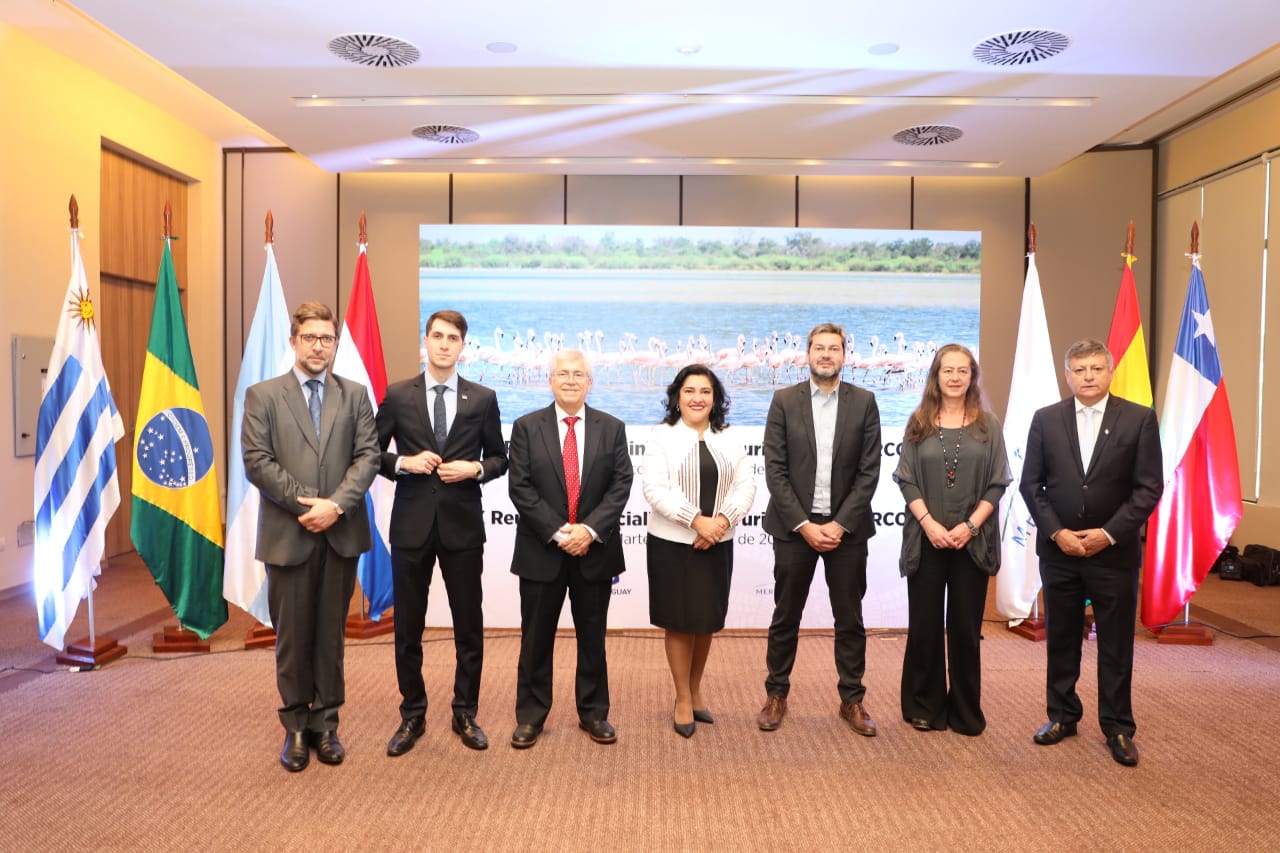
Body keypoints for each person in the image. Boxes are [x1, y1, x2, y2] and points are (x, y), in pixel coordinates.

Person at [241, 301, 380, 772]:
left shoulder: (355, 395)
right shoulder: (263, 396)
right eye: (310, 337)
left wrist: (335, 506)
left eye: (326, 338)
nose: (318, 346)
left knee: (330, 636)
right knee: (293, 637)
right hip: (290, 533)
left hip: (340, 533)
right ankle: (296, 728)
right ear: (293, 341)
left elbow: (368, 457)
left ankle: (326, 725)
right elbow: (257, 461)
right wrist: (309, 505)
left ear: (335, 344)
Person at [1020, 338, 1162, 767]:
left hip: (1113, 555)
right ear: (1068, 376)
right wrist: (1057, 532)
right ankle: (1062, 716)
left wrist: (1108, 533)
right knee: (1061, 638)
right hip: (1060, 551)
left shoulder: (1138, 420)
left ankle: (1117, 727)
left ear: (1110, 372)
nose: (1088, 376)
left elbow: (1148, 488)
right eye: (1079, 370)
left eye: (1096, 368)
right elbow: (1032, 485)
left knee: (1115, 644)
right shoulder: (1046, 419)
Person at [376, 309, 507, 755]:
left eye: (453, 338)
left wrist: (475, 469)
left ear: (463, 346)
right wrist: (402, 463)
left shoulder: (483, 398)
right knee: (407, 628)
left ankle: (465, 712)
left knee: (468, 626)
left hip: (462, 528)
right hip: (410, 527)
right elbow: (370, 452)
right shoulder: (398, 395)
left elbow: (500, 458)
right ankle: (412, 714)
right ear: (425, 342)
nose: (445, 344)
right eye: (437, 336)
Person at [757, 322, 883, 736]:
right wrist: (804, 525)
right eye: (819, 348)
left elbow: (869, 471)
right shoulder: (783, 401)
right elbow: (775, 469)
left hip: (847, 532)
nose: (826, 354)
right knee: (785, 616)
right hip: (795, 529)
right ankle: (776, 695)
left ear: (845, 355)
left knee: (850, 619)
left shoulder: (864, 402)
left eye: (834, 348)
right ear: (807, 354)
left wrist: (840, 524)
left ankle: (852, 700)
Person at [507, 349, 633, 749]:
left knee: (592, 637)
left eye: (579, 374)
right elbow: (520, 488)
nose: (571, 380)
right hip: (542, 550)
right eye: (563, 374)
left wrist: (589, 531)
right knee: (536, 639)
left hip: (594, 552)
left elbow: (621, 485)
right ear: (550, 381)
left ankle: (594, 713)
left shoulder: (612, 427)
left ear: (590, 383)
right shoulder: (527, 427)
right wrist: (559, 532)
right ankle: (531, 716)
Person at [893, 344, 1010, 735]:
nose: (955, 377)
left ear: (972, 376)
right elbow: (906, 479)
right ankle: (924, 706)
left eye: (963, 370)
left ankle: (964, 710)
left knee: (965, 630)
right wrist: (929, 524)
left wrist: (969, 527)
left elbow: (997, 483)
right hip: (926, 539)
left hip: (971, 542)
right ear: (936, 376)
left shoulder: (988, 425)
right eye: (948, 370)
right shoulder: (918, 422)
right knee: (924, 627)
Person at [641, 365, 756, 738]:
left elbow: (746, 486)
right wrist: (696, 521)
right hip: (673, 544)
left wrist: (719, 523)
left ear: (715, 398)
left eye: (705, 391)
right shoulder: (661, 436)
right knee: (679, 622)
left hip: (717, 543)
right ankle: (681, 698)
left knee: (706, 622)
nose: (697, 398)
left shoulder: (730, 437)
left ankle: (695, 691)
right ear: (677, 396)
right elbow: (655, 489)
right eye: (689, 390)